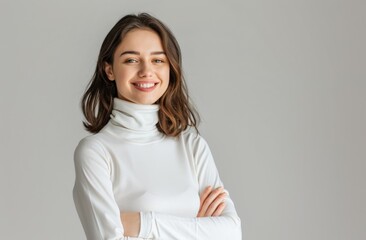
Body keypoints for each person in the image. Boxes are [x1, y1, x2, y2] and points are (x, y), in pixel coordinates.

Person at [72, 12, 242, 240]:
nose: (146, 71)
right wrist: (197, 229)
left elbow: (231, 232)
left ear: (170, 69)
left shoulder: (192, 147)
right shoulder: (95, 152)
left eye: (158, 60)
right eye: (131, 60)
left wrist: (143, 223)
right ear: (109, 69)